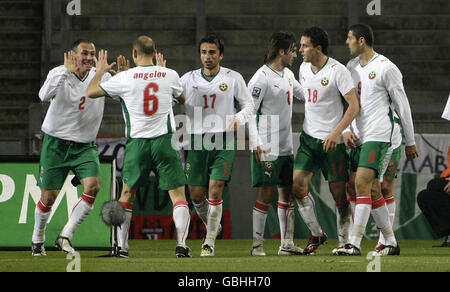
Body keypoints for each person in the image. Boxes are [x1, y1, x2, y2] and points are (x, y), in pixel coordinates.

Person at [87, 36, 191, 258]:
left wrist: (100, 71)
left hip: (138, 144)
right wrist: (165, 77)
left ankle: (123, 248)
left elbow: (91, 91)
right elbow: (182, 98)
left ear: (134, 54)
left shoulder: (125, 77)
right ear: (155, 53)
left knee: (127, 194)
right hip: (165, 141)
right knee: (178, 195)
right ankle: (181, 245)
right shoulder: (169, 74)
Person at [337, 23, 419, 256]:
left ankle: (353, 243)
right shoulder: (351, 67)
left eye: (349, 38)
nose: (346, 42)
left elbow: (403, 106)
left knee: (364, 183)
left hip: (381, 133)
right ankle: (390, 242)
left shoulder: (386, 68)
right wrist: (347, 129)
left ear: (361, 40)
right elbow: (352, 103)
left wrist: (409, 140)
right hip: (360, 135)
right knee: (371, 189)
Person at [31, 39, 119, 256]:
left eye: (92, 53)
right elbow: (43, 96)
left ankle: (65, 236)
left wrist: (122, 76)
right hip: (56, 144)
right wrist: (65, 72)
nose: (89, 58)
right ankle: (37, 238)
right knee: (48, 198)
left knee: (93, 186)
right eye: (84, 53)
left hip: (85, 146)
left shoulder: (101, 76)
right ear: (73, 54)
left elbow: (119, 96)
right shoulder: (59, 72)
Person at [181, 35, 254, 256]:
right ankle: (214, 225)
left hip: (224, 139)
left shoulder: (233, 78)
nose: (207, 57)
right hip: (196, 141)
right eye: (204, 52)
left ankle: (209, 242)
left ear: (220, 55)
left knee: (215, 190)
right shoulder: (188, 78)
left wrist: (239, 118)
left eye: (212, 52)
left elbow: (249, 104)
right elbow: (170, 95)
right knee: (196, 195)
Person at [293, 27, 360, 255]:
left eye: (304, 46)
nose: (300, 50)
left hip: (334, 144)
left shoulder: (337, 70)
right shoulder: (302, 68)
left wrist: (337, 132)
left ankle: (344, 242)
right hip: (309, 139)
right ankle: (317, 233)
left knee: (339, 195)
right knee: (296, 184)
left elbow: (354, 106)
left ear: (318, 48)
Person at [247, 32, 306, 256]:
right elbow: (249, 112)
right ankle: (257, 245)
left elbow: (306, 95)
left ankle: (286, 244)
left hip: (285, 145)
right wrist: (256, 142)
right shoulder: (260, 78)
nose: (295, 54)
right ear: (281, 51)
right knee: (266, 194)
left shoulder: (288, 74)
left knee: (287, 193)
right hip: (267, 144)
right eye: (292, 50)